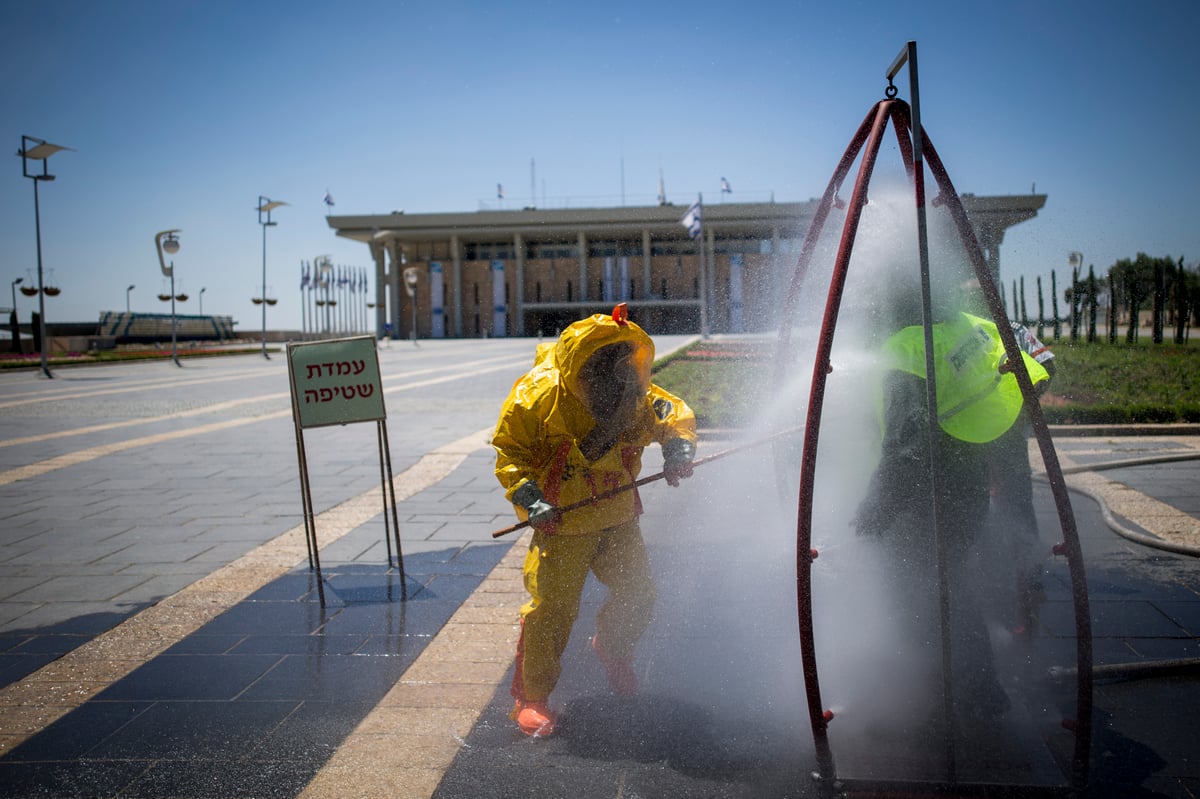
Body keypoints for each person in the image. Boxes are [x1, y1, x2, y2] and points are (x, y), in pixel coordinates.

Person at [492, 303, 697, 737]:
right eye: (606, 367)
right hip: (562, 524)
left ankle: (612, 648)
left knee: (638, 592)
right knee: (551, 609)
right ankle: (532, 697)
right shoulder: (538, 397)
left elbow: (670, 414)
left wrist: (678, 449)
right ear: (581, 370)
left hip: (617, 516)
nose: (619, 377)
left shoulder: (634, 395)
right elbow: (511, 453)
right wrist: (531, 500)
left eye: (626, 366)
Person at [854, 299, 1049, 720]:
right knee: (949, 575)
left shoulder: (907, 348)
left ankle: (970, 691)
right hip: (976, 465)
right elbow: (1042, 365)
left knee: (929, 584)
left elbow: (905, 451)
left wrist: (875, 511)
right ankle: (963, 679)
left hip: (938, 484)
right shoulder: (977, 325)